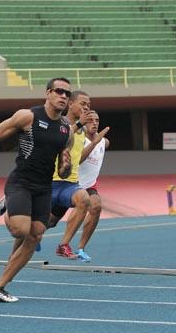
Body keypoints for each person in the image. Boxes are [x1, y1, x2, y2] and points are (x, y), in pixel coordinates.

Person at [0, 77, 73, 303]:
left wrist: (66, 167)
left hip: (44, 187)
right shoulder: (28, 116)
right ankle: (8, 203)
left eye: (67, 94)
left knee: (36, 235)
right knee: (20, 231)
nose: (64, 96)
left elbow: (62, 171)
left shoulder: (66, 131)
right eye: (60, 91)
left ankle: (0, 286)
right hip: (21, 182)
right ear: (48, 93)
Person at [47, 92, 108, 260]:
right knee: (47, 223)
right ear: (70, 103)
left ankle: (74, 247)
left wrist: (95, 139)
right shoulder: (61, 124)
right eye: (83, 104)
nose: (86, 108)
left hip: (76, 185)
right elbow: (61, 142)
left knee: (91, 204)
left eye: (96, 120)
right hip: (54, 181)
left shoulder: (92, 136)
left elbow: (79, 157)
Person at [72, 111, 110, 261]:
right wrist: (94, 142)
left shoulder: (104, 142)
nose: (94, 123)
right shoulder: (77, 139)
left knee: (96, 206)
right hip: (69, 183)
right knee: (50, 221)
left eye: (97, 120)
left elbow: (104, 144)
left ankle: (80, 248)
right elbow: (78, 160)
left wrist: (99, 141)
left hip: (89, 186)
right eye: (90, 120)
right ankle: (34, 235)